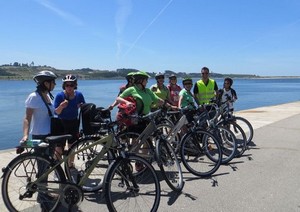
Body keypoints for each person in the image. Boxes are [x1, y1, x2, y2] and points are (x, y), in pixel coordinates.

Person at [20, 70, 57, 211]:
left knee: (47, 167)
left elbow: (51, 114)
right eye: (52, 82)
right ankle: (43, 197)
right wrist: (25, 135)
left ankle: (44, 193)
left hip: (49, 136)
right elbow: (27, 118)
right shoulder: (33, 97)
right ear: (46, 83)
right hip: (39, 136)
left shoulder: (47, 96)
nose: (54, 84)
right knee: (42, 167)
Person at [54, 74, 85, 168]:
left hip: (73, 123)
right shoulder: (60, 96)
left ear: (75, 85)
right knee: (59, 147)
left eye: (71, 85)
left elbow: (84, 107)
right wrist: (61, 106)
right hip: (61, 123)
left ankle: (70, 165)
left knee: (72, 146)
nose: (69, 87)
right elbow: (56, 112)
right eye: (67, 85)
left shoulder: (79, 95)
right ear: (64, 86)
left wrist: (81, 106)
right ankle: (57, 166)